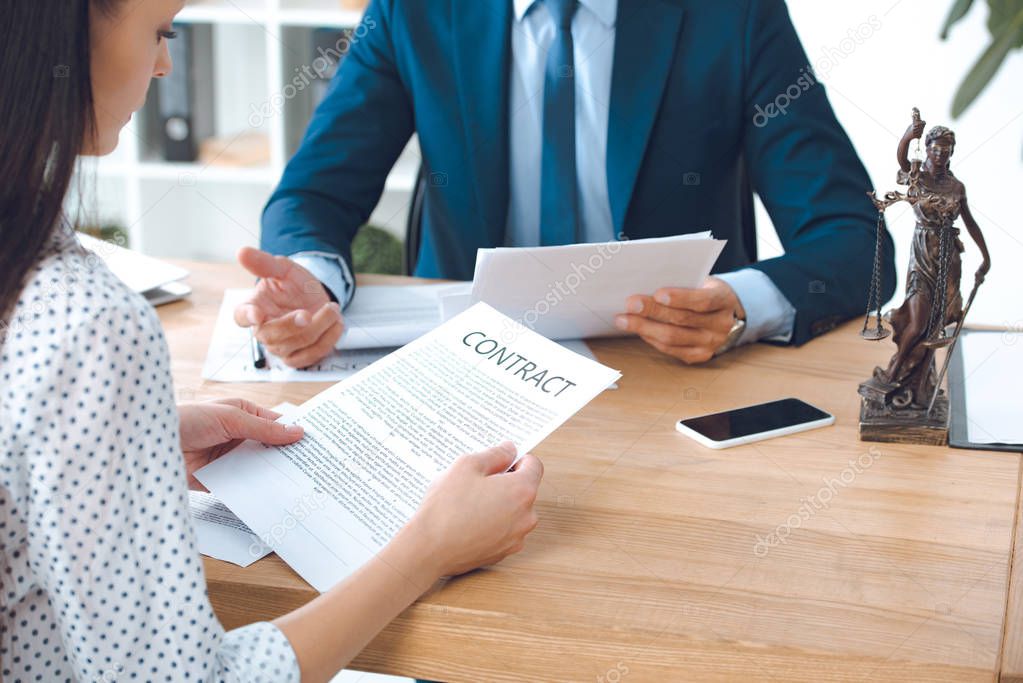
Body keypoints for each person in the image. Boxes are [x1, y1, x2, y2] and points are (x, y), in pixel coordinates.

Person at [0, 2, 542, 681]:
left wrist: (134, 435)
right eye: (162, 31)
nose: (167, 63)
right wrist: (426, 550)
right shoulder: (87, 320)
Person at [237, 0, 897, 368]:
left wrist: (741, 304)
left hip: (672, 371)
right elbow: (313, 193)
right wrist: (310, 278)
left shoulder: (732, 13)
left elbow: (854, 239)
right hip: (467, 364)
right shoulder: (416, 10)